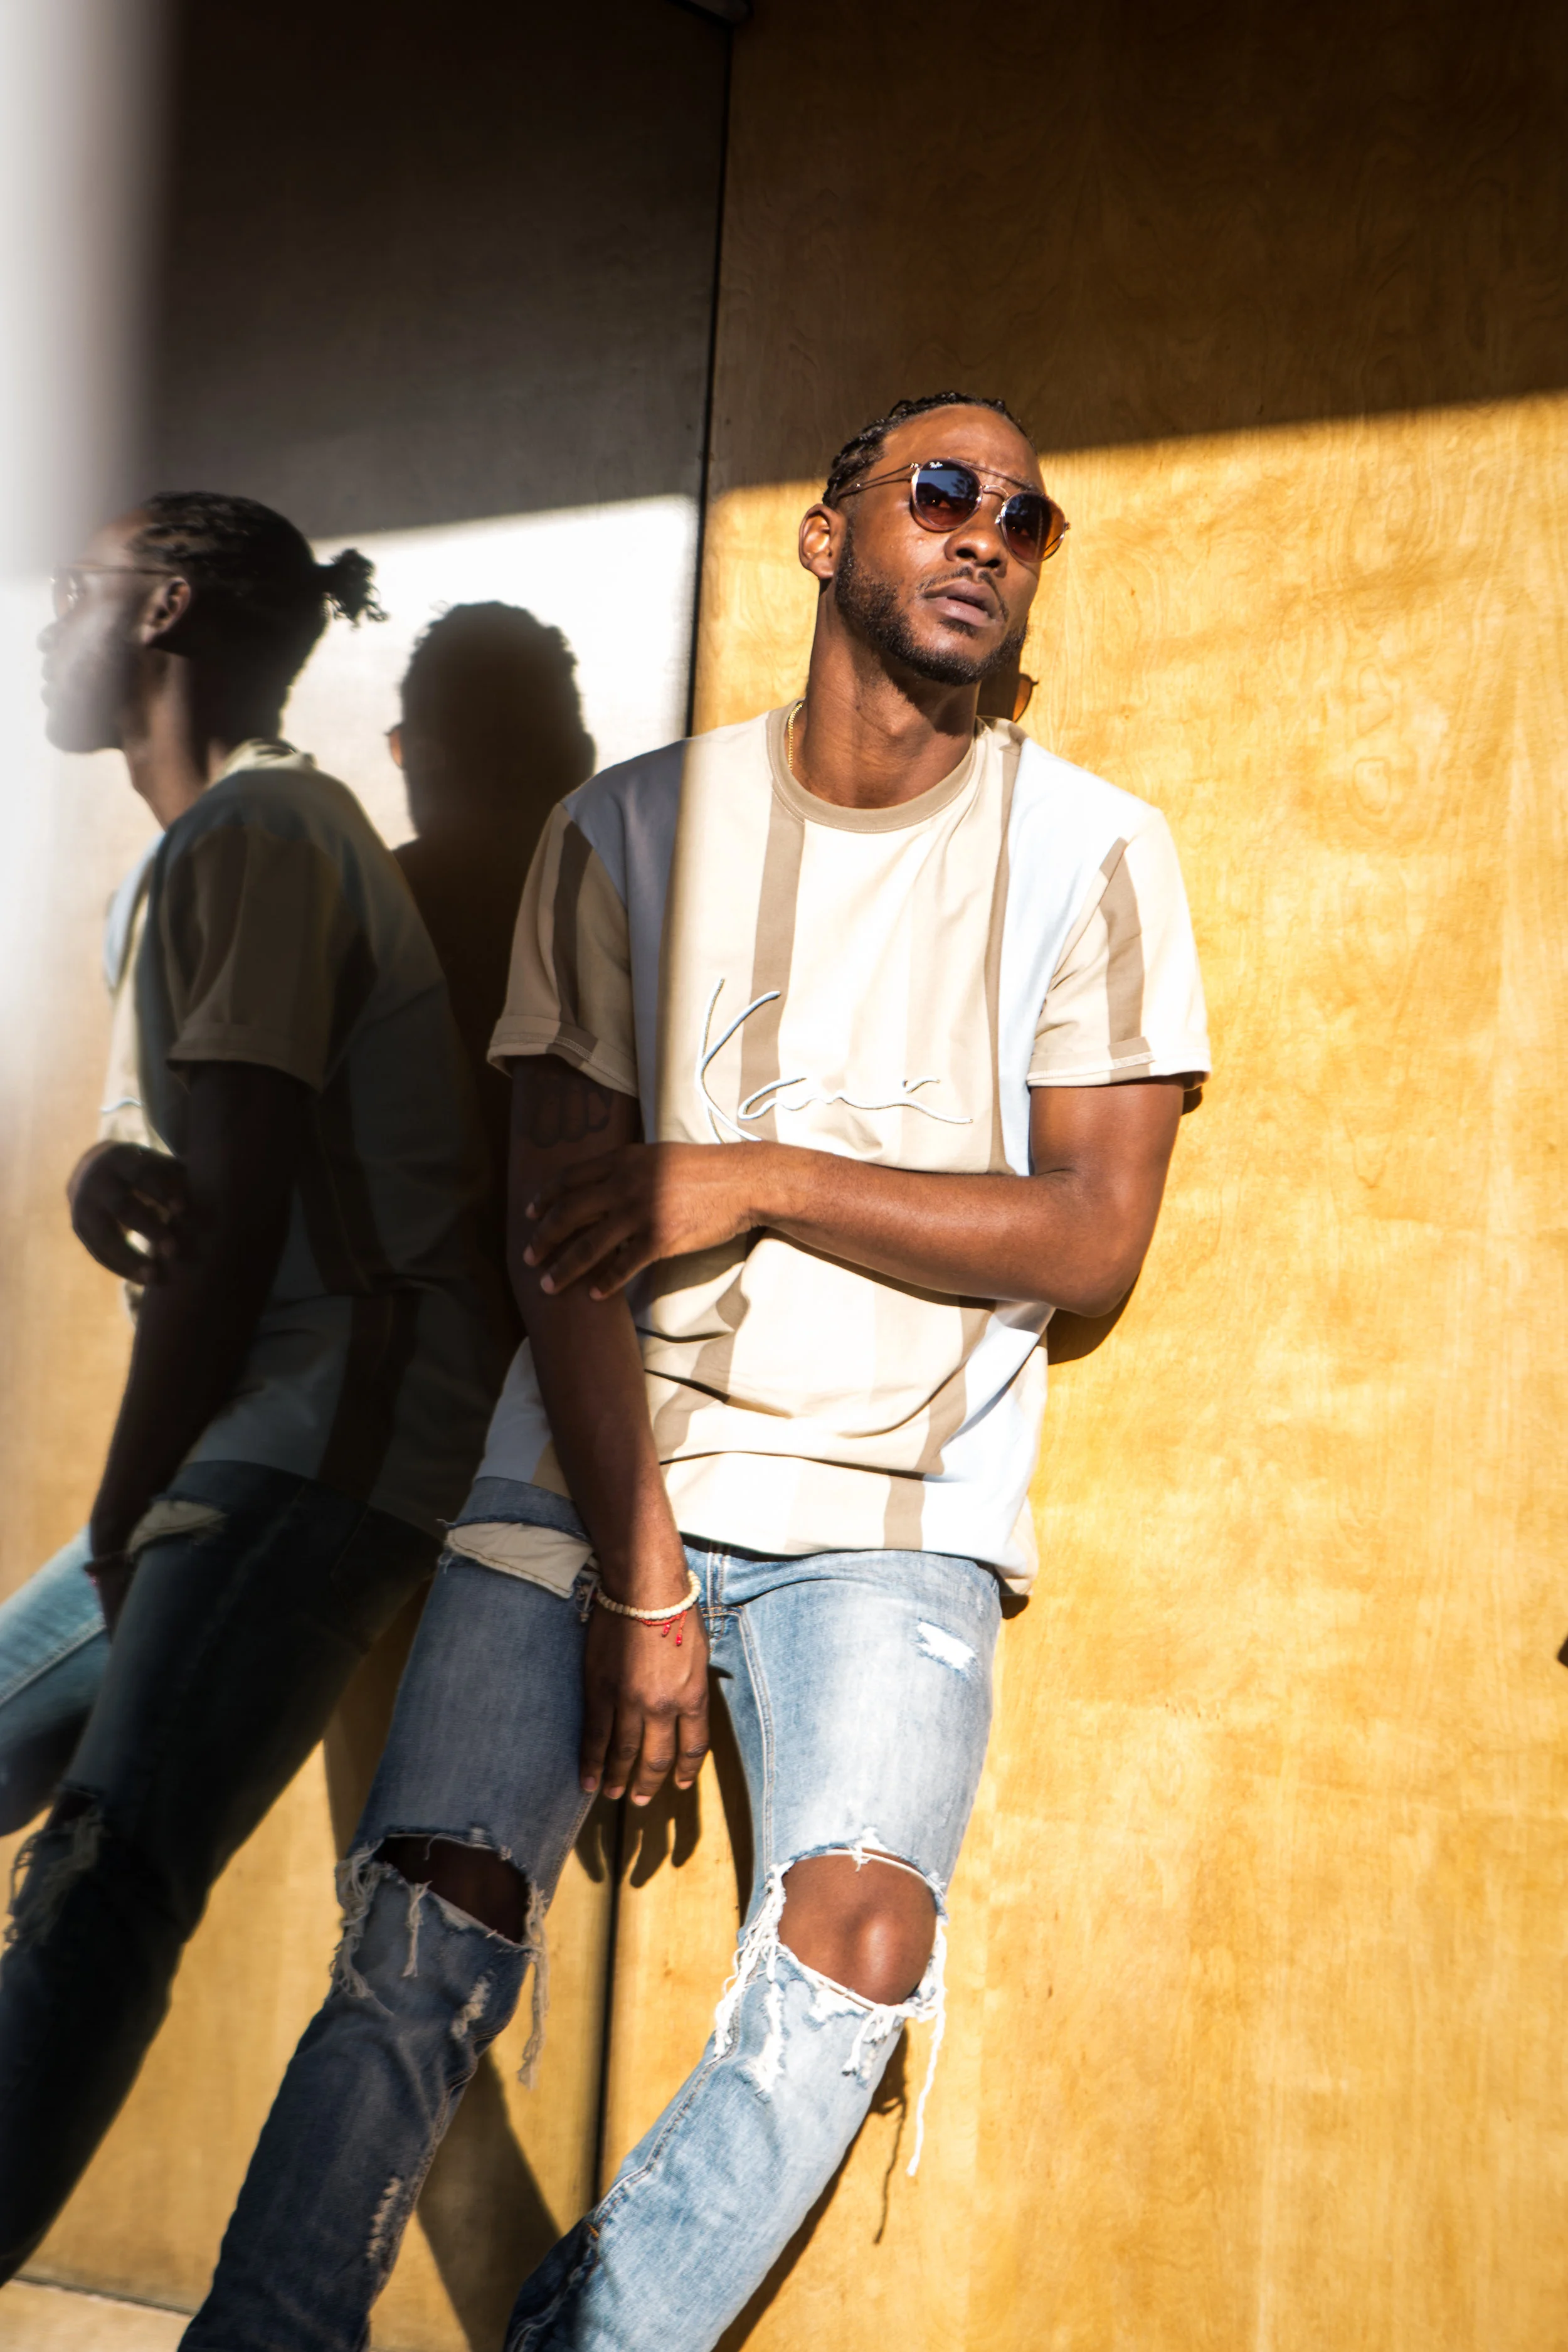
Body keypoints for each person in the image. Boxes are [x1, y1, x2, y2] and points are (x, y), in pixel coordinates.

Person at [184, 391, 1211, 2352]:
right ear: (829, 536)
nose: (983, 533)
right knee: (427, 1926)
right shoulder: (629, 829)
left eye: (1023, 516)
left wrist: (753, 1171)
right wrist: (642, 1574)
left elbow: (1092, 1235)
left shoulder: (1094, 850)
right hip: (580, 1479)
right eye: (940, 490)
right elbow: (556, 1237)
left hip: (893, 1504)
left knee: (860, 1948)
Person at [0, 492, 502, 2280]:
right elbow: (204, 1178)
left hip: (312, 1449)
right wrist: (105, 1175)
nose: (42, 623)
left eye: (74, 588)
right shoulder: (208, 849)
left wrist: (126, 1507)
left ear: (164, 607)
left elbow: (231, 1237)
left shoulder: (268, 831)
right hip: (256, 1438)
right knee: (93, 1859)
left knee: (109, 1875)